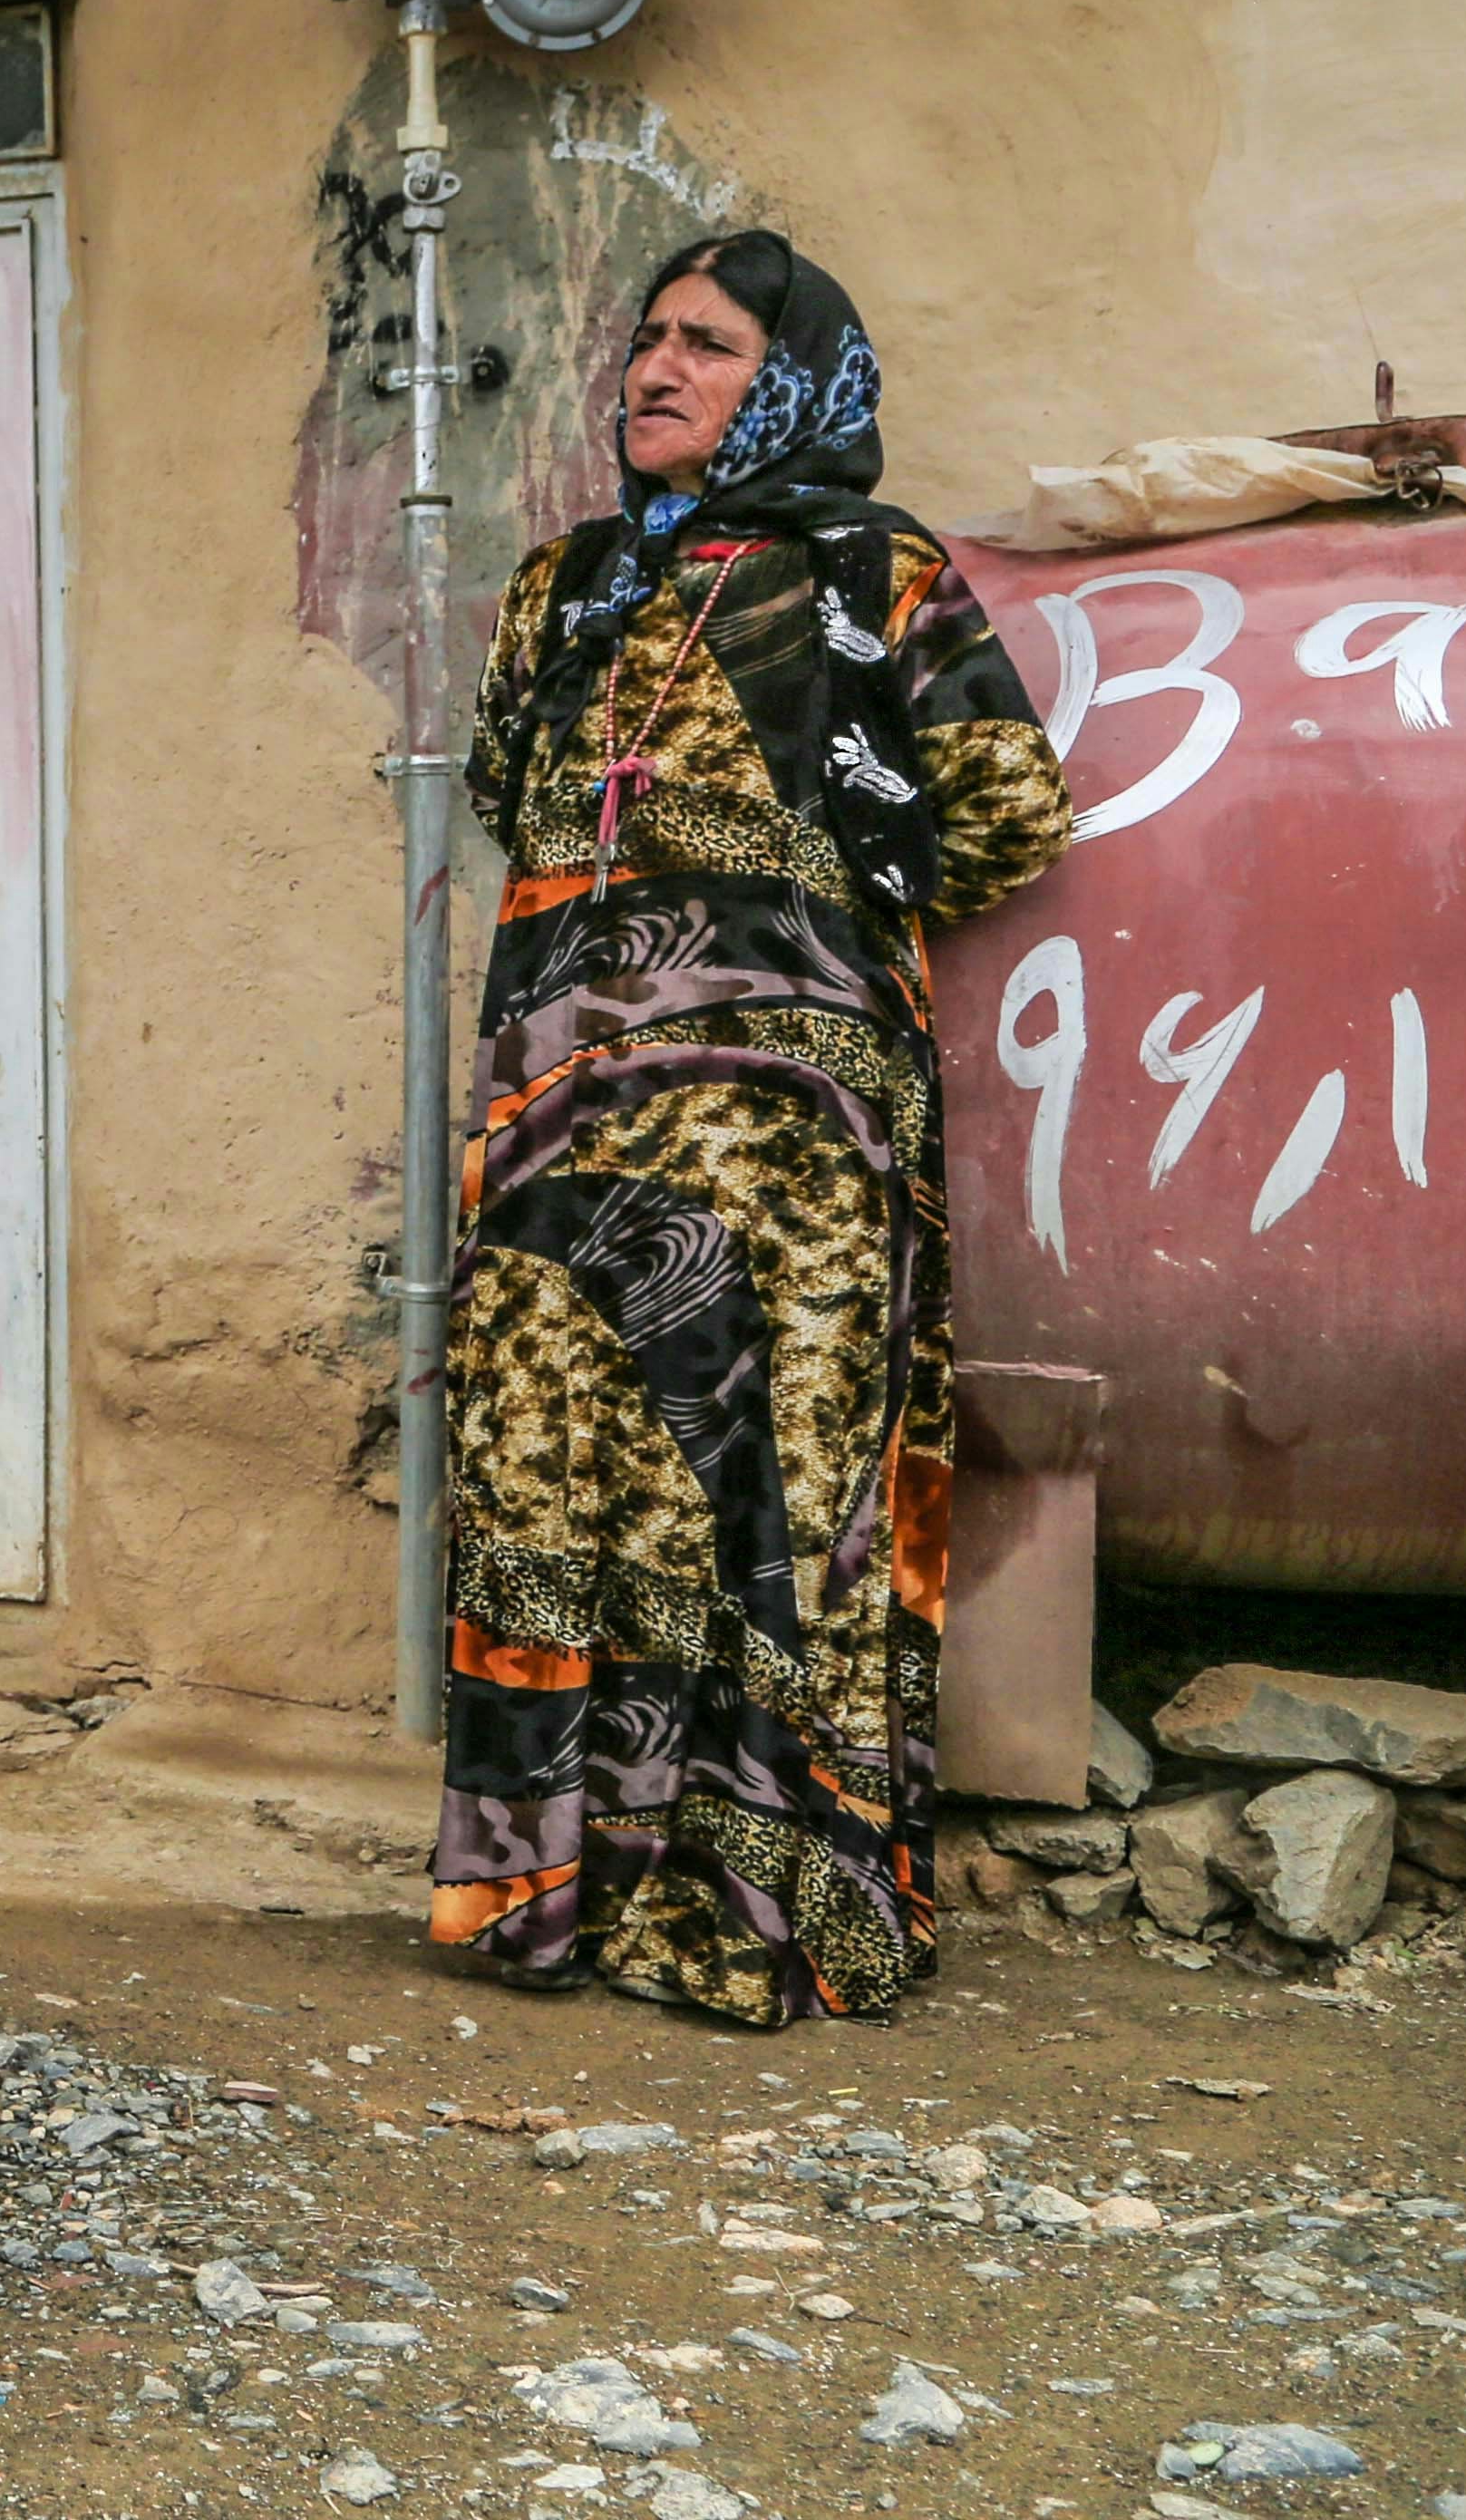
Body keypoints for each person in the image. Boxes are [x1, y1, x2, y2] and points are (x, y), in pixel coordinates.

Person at [433, 234, 1075, 2025]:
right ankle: (555, 1895)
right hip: (570, 1127)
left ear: (787, 381)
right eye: (644, 340)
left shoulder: (878, 577)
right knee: (559, 1469)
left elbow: (1009, 807)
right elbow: (510, 788)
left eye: (706, 347)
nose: (656, 370)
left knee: (773, 1501)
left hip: (793, 1165)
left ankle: (751, 1914)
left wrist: (814, 897)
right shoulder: (561, 587)